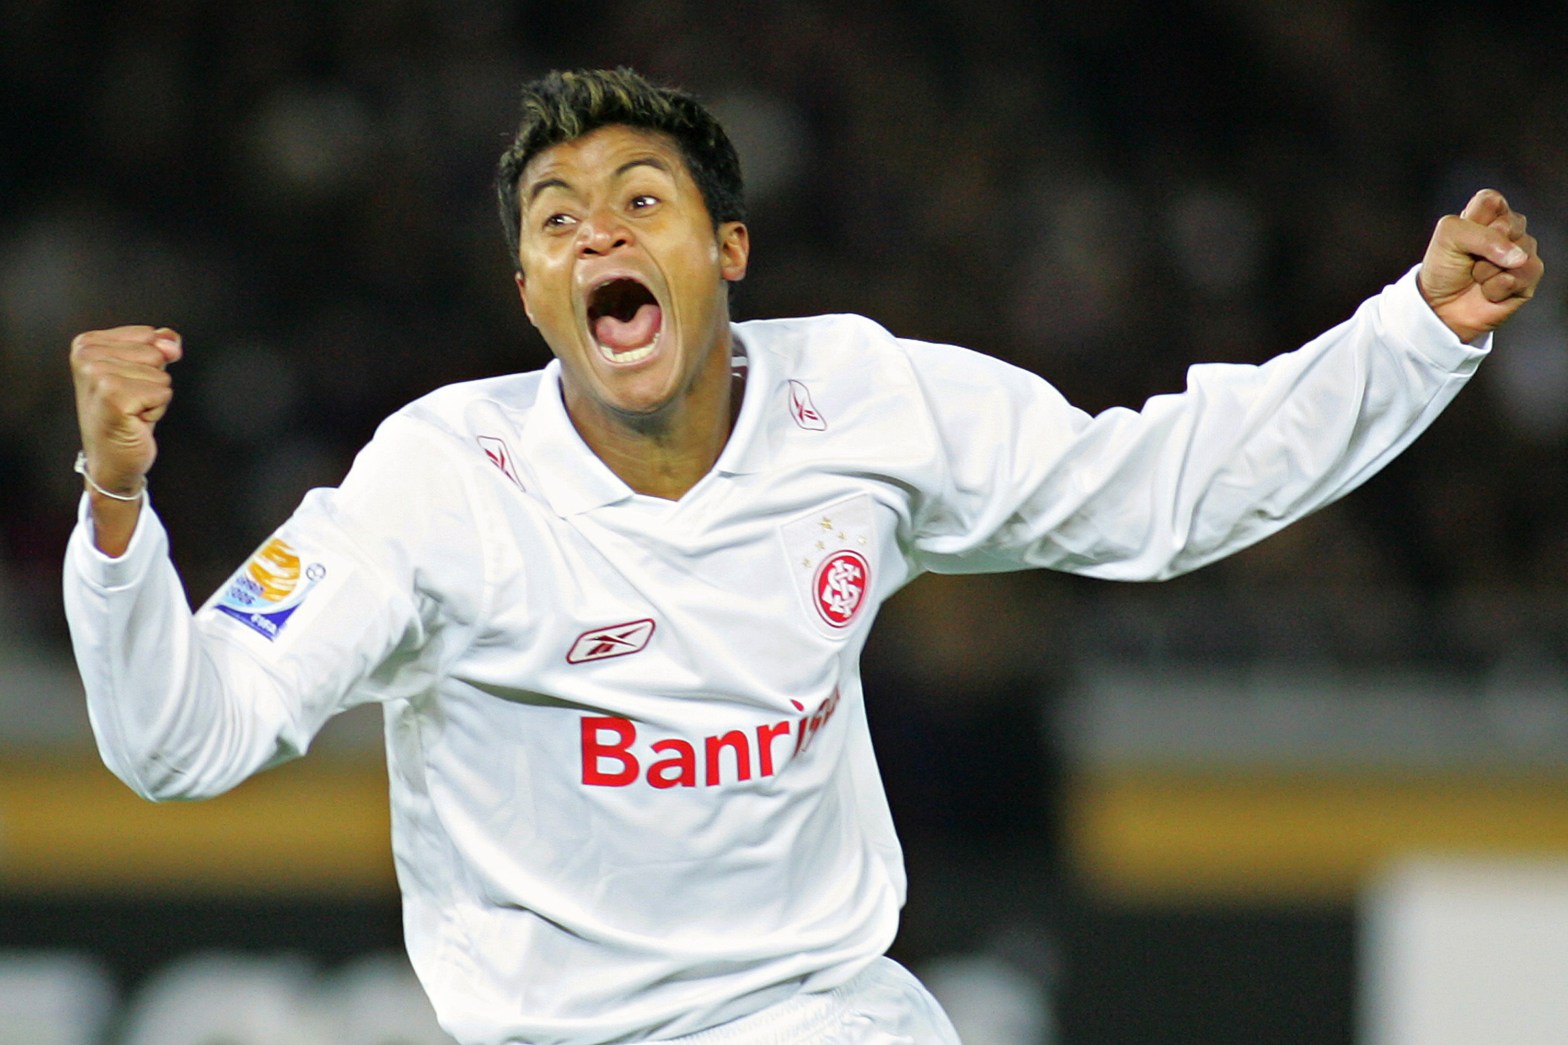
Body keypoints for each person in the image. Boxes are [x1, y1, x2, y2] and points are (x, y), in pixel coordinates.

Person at [64, 67, 1542, 1045]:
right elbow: (184, 742)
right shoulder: (436, 482)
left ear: (730, 251)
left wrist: (1414, 335)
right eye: (559, 221)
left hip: (820, 1014)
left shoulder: (862, 399)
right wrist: (118, 510)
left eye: (641, 201)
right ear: (529, 292)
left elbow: (1159, 486)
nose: (599, 236)